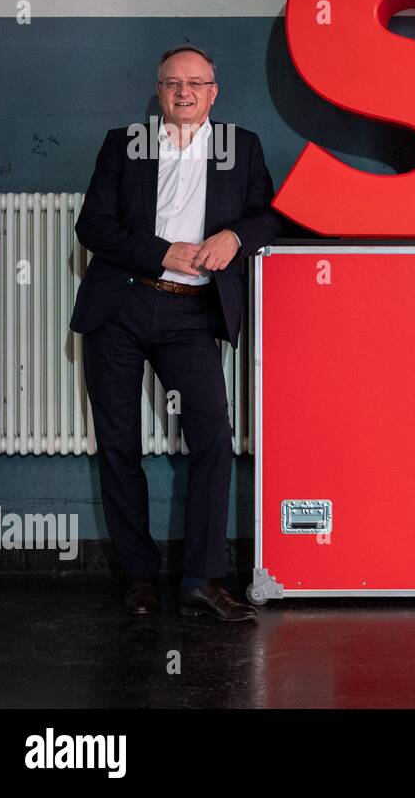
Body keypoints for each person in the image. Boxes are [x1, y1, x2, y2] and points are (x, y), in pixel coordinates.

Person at [70, 44, 280, 622]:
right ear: (158, 92)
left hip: (190, 316)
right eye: (171, 83)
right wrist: (165, 251)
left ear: (214, 93)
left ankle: (203, 578)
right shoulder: (123, 146)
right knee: (119, 445)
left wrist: (235, 237)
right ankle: (139, 577)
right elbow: (94, 226)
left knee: (213, 437)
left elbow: (269, 213)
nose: (183, 91)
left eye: (195, 82)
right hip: (120, 308)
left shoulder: (242, 148)